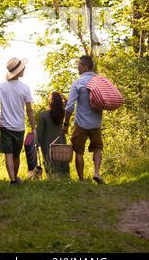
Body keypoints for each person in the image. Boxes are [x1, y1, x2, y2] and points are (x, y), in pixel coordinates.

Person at [0, 57, 36, 185]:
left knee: (8, 154)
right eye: (22, 68)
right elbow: (29, 110)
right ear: (18, 72)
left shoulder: (1, 86)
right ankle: (15, 177)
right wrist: (33, 127)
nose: (24, 69)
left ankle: (13, 180)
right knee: (16, 155)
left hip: (5, 126)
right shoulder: (25, 88)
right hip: (19, 127)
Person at [63, 55, 104, 183]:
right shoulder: (99, 81)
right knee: (97, 148)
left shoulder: (78, 82)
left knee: (78, 151)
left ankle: (81, 180)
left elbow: (69, 107)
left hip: (81, 123)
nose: (77, 67)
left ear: (86, 67)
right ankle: (96, 173)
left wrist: (65, 124)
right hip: (96, 123)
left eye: (79, 65)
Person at [36, 91, 70, 178]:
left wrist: (37, 143)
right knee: (62, 160)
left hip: (47, 143)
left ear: (50, 101)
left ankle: (50, 178)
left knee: (49, 161)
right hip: (60, 142)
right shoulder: (62, 113)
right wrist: (63, 97)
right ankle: (64, 177)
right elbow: (69, 104)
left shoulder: (43, 115)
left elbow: (39, 131)